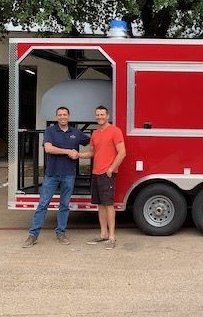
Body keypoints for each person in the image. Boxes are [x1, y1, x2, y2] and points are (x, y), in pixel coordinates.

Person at [22, 107, 90, 248]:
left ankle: (61, 232)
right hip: (52, 174)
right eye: (60, 115)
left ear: (69, 116)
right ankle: (33, 235)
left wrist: (81, 154)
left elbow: (91, 142)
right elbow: (48, 148)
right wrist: (68, 152)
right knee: (43, 204)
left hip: (69, 175)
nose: (62, 117)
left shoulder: (76, 133)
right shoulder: (50, 131)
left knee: (64, 205)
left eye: (65, 115)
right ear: (56, 117)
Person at [79, 105, 126, 249]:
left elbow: (122, 152)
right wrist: (78, 155)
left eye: (102, 114)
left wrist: (111, 168)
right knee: (100, 205)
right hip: (96, 173)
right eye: (97, 115)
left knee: (108, 205)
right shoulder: (95, 133)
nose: (99, 117)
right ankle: (103, 234)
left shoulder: (115, 131)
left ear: (108, 116)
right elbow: (92, 153)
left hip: (107, 174)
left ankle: (112, 237)